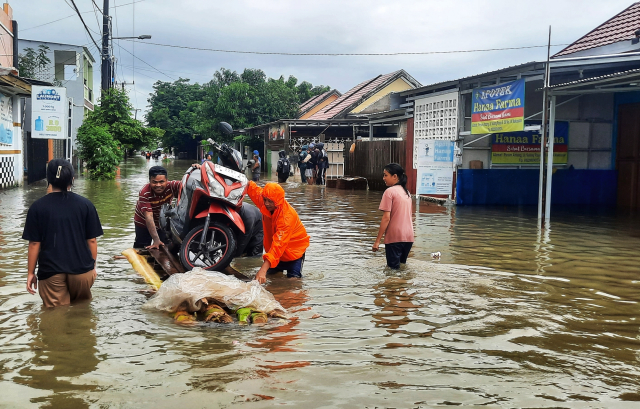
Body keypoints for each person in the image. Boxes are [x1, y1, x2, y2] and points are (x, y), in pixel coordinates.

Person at [22, 159, 103, 307]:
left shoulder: (37, 208)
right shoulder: (86, 205)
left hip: (51, 273)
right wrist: (92, 267)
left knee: (56, 317)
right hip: (82, 272)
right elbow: (91, 241)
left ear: (48, 179)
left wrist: (30, 273)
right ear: (72, 179)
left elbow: (34, 243)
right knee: (82, 311)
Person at [247, 181, 309, 283]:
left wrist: (262, 270)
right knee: (271, 279)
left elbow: (278, 245)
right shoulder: (264, 202)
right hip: (277, 254)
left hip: (294, 252)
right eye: (265, 200)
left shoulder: (287, 218)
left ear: (278, 201)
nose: (266, 203)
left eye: (270, 201)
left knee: (293, 283)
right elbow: (253, 190)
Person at [133, 164, 200, 249]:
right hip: (143, 222)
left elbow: (188, 185)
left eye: (161, 182)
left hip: (162, 221)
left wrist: (196, 170)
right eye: (154, 182)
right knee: (141, 247)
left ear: (167, 180)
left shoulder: (172, 186)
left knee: (165, 245)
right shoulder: (144, 192)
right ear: (150, 181)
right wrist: (156, 240)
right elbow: (149, 217)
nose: (158, 185)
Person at [372, 163, 415, 269]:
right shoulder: (407, 193)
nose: (383, 178)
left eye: (386, 175)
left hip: (394, 238)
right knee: (401, 267)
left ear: (395, 176)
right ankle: (403, 285)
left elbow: (386, 218)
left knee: (392, 271)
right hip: (408, 237)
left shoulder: (389, 192)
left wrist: (377, 241)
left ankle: (394, 286)